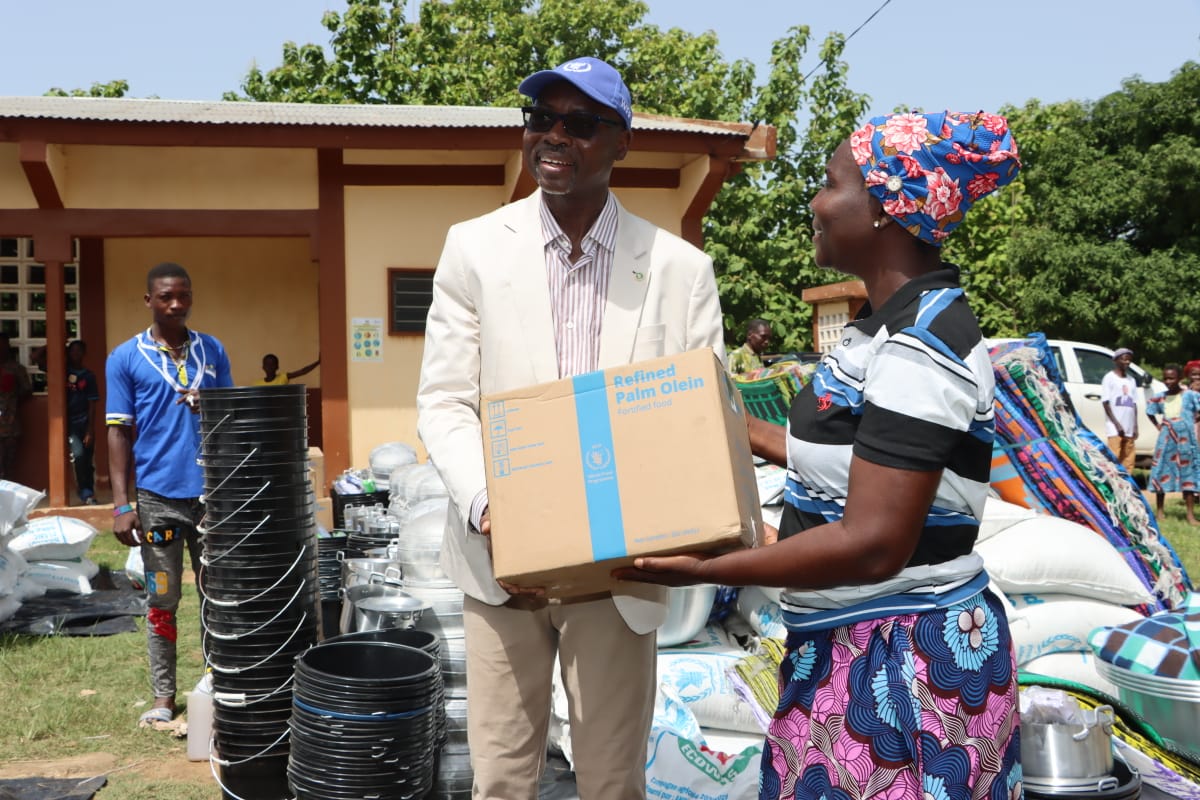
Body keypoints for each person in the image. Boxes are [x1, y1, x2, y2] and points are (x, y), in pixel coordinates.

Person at [618, 111, 1024, 800]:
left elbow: (873, 544)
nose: (815, 201)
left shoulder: (921, 348)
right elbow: (851, 460)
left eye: (832, 182)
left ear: (885, 210)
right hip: (847, 645)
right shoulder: (880, 330)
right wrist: (710, 415)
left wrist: (706, 568)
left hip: (901, 670)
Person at [417, 56, 724, 798]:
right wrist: (491, 504)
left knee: (612, 783)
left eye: (579, 124)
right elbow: (445, 400)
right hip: (502, 566)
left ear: (621, 142)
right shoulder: (474, 250)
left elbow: (698, 422)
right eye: (539, 119)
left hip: (621, 573)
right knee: (501, 781)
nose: (552, 136)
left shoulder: (680, 270)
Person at [106, 262, 233, 726]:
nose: (176, 304)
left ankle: (218, 684)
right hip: (158, 500)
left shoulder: (212, 351)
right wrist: (123, 506)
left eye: (183, 295)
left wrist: (212, 403)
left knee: (216, 595)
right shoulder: (125, 357)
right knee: (161, 597)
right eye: (165, 297)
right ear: (149, 301)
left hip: (211, 500)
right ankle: (163, 695)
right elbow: (118, 434)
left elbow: (232, 420)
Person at [1147, 363, 1200, 524]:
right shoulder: (1160, 396)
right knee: (1161, 471)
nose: (1168, 381)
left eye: (1172, 378)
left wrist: (1191, 421)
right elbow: (1150, 411)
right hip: (1166, 440)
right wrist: (1159, 426)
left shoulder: (1190, 395)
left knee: (1188, 474)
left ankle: (1190, 515)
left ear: (1180, 379)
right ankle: (1160, 512)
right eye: (1165, 378)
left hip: (1186, 441)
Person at [66, 340, 101, 504]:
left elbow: (92, 403)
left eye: (78, 351)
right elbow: (36, 358)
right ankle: (84, 492)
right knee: (78, 456)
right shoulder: (63, 372)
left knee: (87, 459)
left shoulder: (88, 376)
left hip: (84, 421)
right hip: (70, 423)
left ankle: (89, 491)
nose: (75, 354)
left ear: (83, 353)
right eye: (72, 351)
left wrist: (90, 430)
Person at [0, 333, 32, 480]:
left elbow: (27, 389)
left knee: (9, 462)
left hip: (10, 424)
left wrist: (11, 400)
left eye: (3, 345)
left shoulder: (16, 368)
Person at [1102, 347, 1139, 472]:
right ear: (1116, 360)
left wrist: (1135, 426)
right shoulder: (1109, 378)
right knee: (1114, 456)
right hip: (1115, 427)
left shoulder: (1131, 380)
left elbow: (1134, 404)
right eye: (1124, 359)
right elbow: (1106, 403)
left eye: (1129, 360)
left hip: (1128, 426)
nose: (1127, 362)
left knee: (1128, 459)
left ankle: (1127, 485)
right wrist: (1116, 424)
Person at [254, 353, 319, 386]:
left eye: (272, 364)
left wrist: (318, 362)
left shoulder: (283, 377)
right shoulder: (257, 384)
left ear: (277, 367)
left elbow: (303, 371)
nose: (270, 367)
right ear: (263, 367)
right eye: (267, 364)